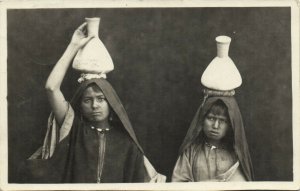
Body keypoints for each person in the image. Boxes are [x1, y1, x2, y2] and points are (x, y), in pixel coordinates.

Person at [19, 22, 165, 183]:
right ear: (80, 105)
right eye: (87, 100)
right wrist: (73, 46)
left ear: (111, 102)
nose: (95, 105)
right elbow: (51, 88)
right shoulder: (73, 130)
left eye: (101, 99)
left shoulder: (126, 143)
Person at [172, 36, 254, 182]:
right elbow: (179, 183)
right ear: (201, 119)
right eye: (211, 118)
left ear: (231, 124)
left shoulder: (235, 154)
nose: (215, 126)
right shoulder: (191, 153)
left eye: (222, 121)